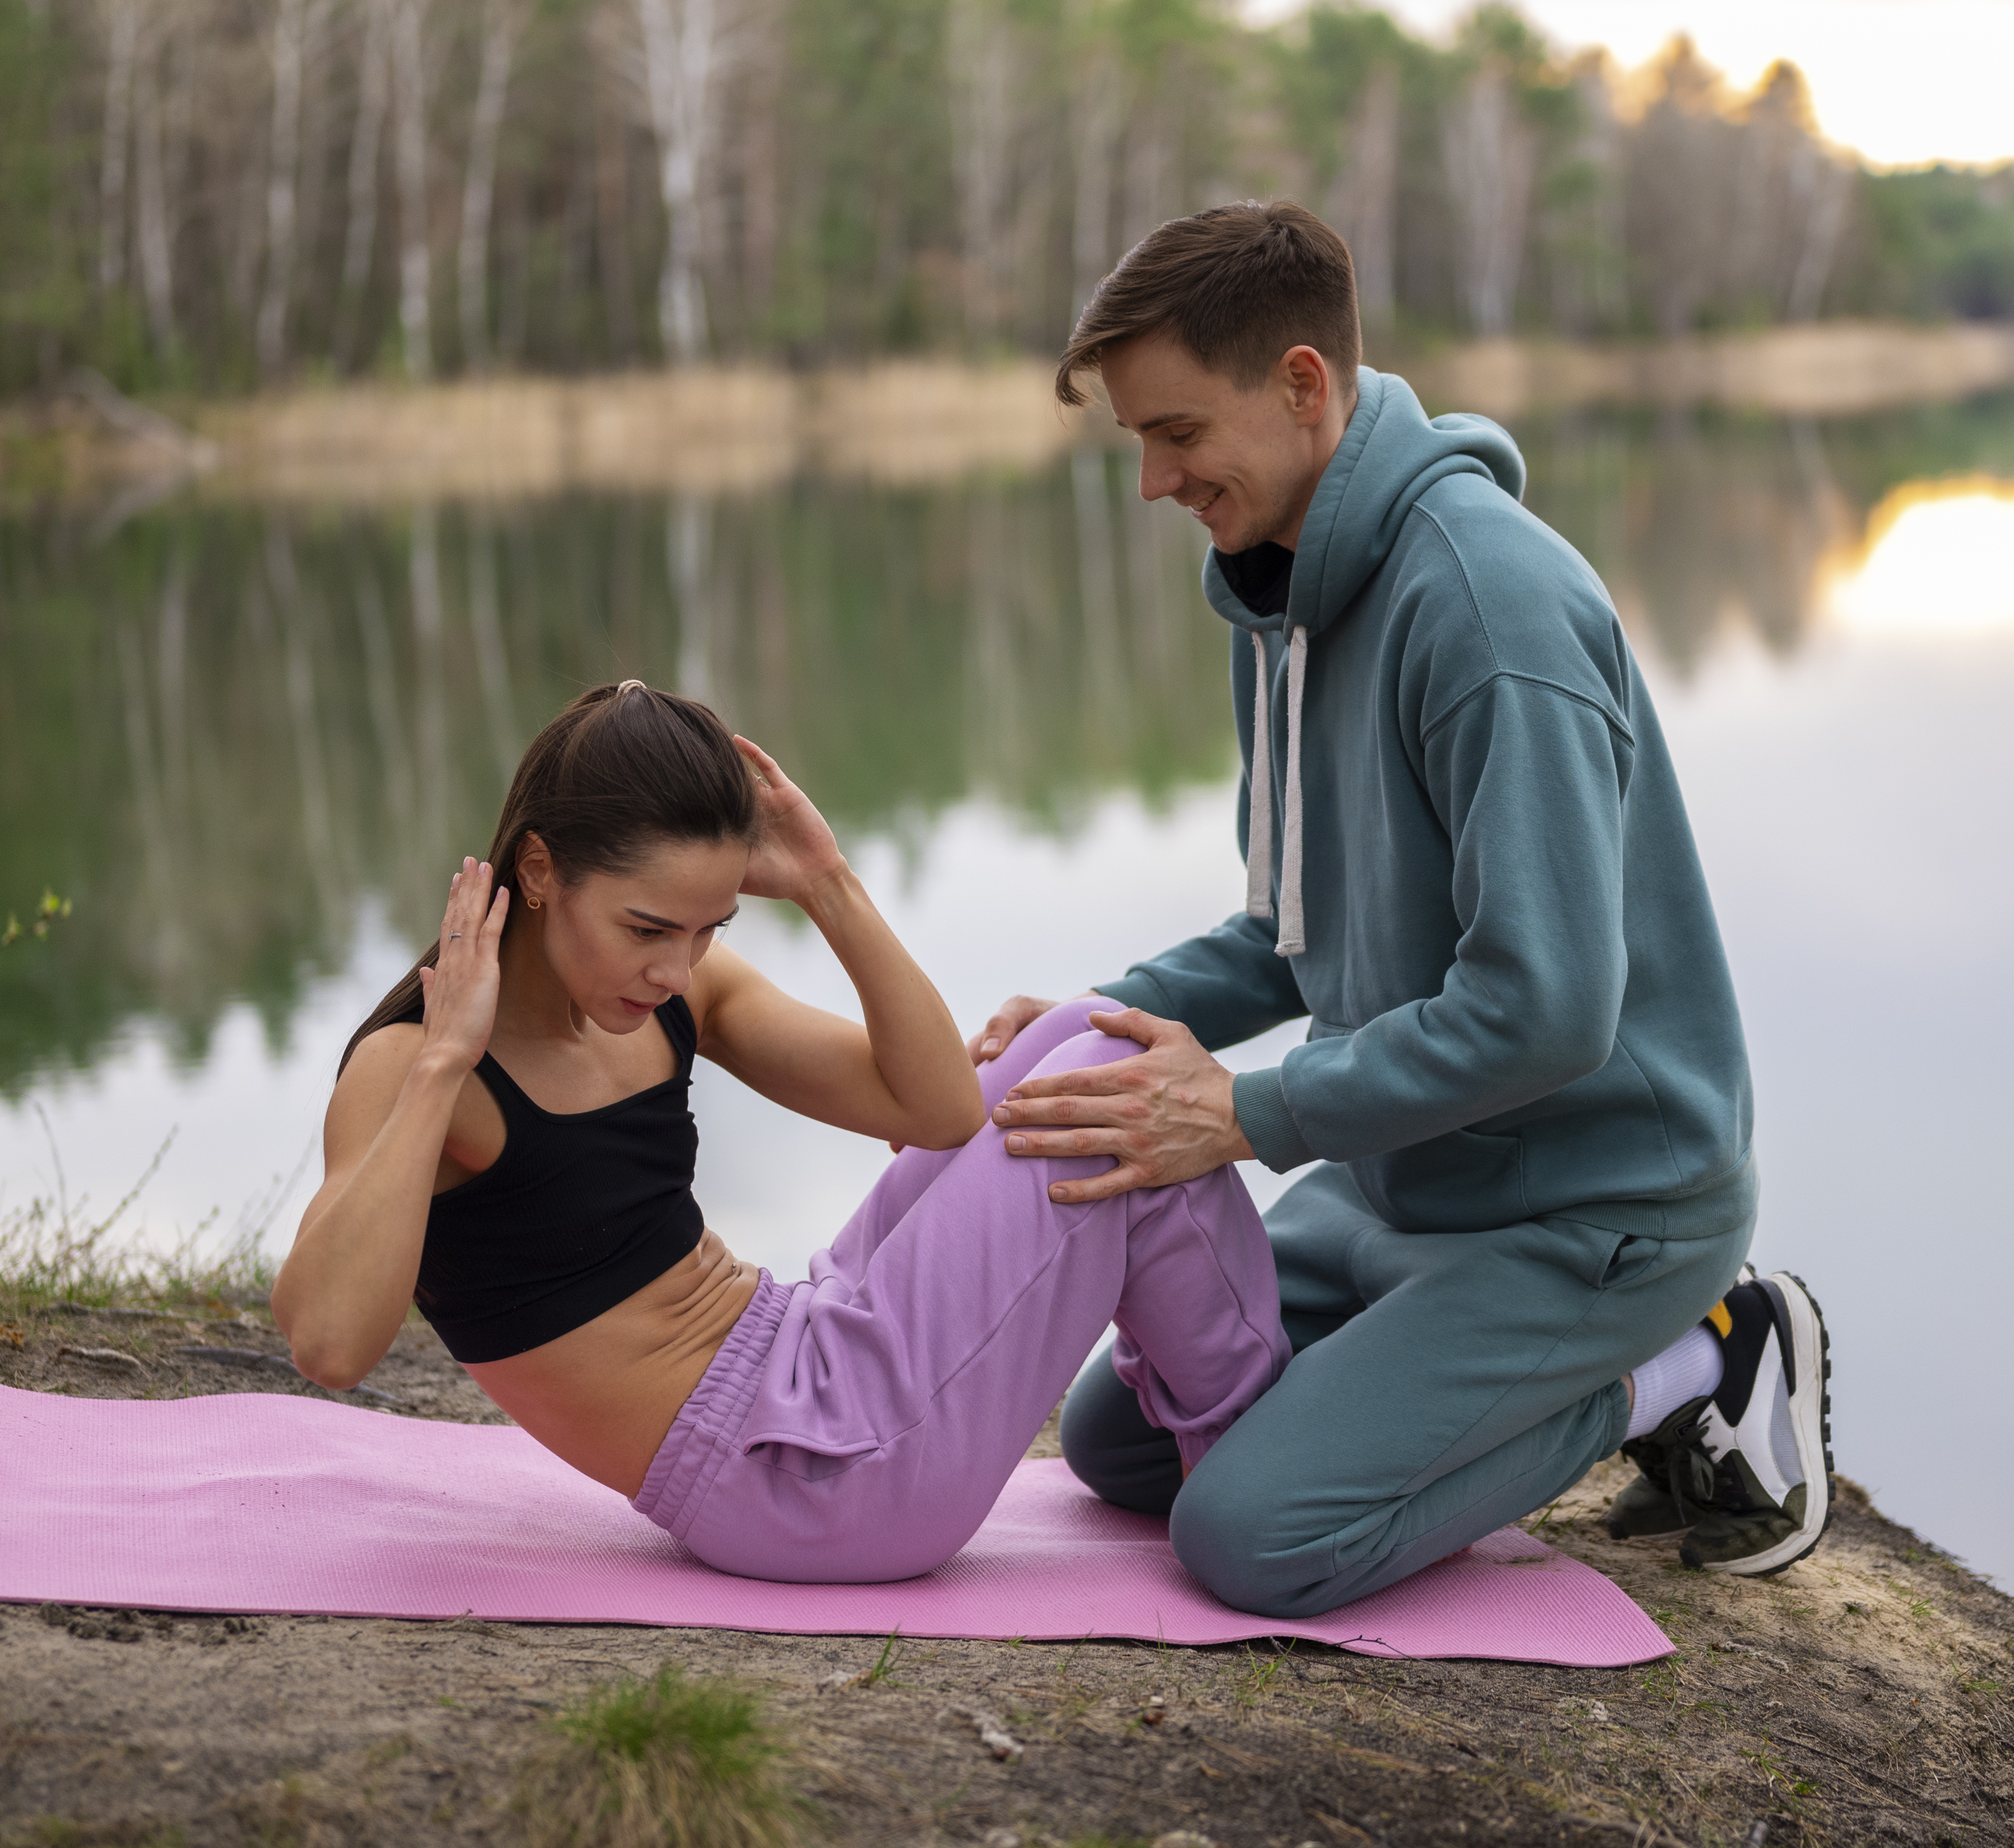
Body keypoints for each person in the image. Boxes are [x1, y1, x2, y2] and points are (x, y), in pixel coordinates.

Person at [970, 200, 1833, 1618]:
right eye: (1137, 440)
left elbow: (1548, 1011)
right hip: (1403, 1177)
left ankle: (1699, 1356)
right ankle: (1477, 1358)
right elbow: (1286, 929)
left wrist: (1244, 1117)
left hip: (1598, 1204)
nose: (1152, 479)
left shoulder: (1491, 614)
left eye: (1176, 432)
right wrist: (1097, 1018)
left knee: (1254, 1538)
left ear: (1302, 385)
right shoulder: (1280, 595)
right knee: (1124, 1448)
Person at [272, 681, 1289, 1583]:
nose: (676, 968)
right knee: (1108, 1088)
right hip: (811, 1479)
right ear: (540, 871)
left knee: (1078, 1034)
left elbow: (935, 1110)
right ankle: (1261, 1467)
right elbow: (329, 1343)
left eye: (710, 928)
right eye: (647, 928)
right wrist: (444, 1062)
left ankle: (1226, 1438)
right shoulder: (418, 1064)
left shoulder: (677, 994)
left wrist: (826, 884)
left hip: (808, 1356)